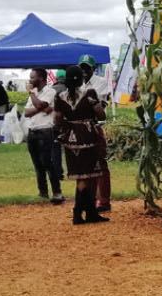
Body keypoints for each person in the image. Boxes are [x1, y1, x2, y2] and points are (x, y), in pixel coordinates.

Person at [55, 66, 109, 224]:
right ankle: (78, 213)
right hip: (87, 136)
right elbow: (101, 114)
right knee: (87, 177)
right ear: (81, 79)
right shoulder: (89, 93)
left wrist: (68, 126)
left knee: (81, 176)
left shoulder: (60, 96)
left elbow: (57, 119)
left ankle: (89, 212)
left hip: (70, 138)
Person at [78, 55, 114, 212]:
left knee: (100, 164)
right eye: (82, 68)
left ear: (93, 68)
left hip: (93, 127)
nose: (84, 71)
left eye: (87, 68)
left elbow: (97, 107)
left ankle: (104, 202)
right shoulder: (77, 83)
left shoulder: (101, 82)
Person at [24, 68, 65, 204]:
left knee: (47, 162)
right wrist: (41, 108)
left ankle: (57, 192)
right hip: (32, 131)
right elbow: (26, 112)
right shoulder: (34, 93)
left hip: (45, 131)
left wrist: (32, 95)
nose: (30, 80)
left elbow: (42, 104)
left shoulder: (50, 91)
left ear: (41, 78)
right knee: (37, 164)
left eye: (32, 77)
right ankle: (43, 192)